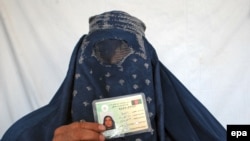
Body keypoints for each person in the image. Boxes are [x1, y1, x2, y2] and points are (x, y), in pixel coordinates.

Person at [1, 10, 226, 141]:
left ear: (150, 65)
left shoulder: (186, 127)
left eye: (128, 57)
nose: (113, 74)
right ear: (78, 63)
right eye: (98, 56)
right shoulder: (29, 134)